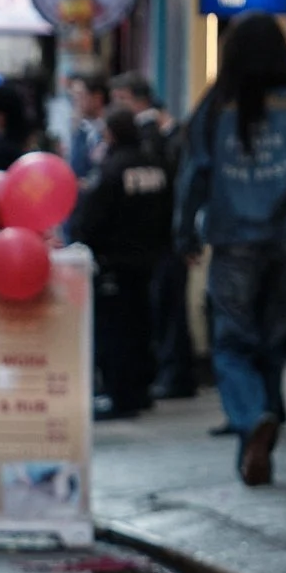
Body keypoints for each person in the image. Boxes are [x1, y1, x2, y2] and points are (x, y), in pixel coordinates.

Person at [174, 13, 286, 486]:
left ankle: (252, 421)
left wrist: (184, 234)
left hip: (233, 241)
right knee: (273, 342)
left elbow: (193, 180)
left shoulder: (215, 107)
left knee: (231, 344)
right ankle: (263, 431)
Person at [71, 106, 172, 417]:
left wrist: (83, 241)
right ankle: (141, 391)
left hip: (115, 262)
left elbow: (92, 218)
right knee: (142, 326)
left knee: (116, 333)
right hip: (149, 258)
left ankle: (121, 396)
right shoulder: (155, 164)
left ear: (110, 134)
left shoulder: (112, 169)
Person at [112, 71, 195, 399]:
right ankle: (169, 371)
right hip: (160, 234)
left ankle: (176, 374)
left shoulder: (163, 135)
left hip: (168, 233)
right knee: (161, 304)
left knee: (169, 304)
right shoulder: (160, 134)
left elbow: (176, 180)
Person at [67, 72, 109, 181]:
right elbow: (76, 169)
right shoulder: (83, 127)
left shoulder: (111, 127)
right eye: (73, 97)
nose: (75, 102)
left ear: (97, 98)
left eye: (80, 96)